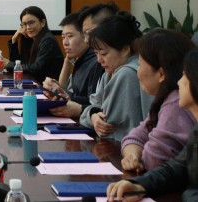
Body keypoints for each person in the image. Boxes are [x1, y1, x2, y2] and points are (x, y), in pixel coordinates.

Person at [107, 49, 198, 201]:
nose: (179, 82)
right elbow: (176, 169)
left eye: (185, 76)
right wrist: (140, 185)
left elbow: (154, 160)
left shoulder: (173, 104)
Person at [120, 29, 196, 172]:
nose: (137, 71)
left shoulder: (176, 105)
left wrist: (138, 159)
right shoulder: (168, 99)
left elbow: (153, 161)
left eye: (140, 64)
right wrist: (132, 156)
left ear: (161, 74)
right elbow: (136, 136)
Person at [79, 12, 153, 141]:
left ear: (125, 49)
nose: (99, 60)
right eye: (96, 53)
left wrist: (93, 118)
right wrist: (93, 116)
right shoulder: (110, 72)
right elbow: (94, 106)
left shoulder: (126, 73)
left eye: (103, 53)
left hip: (125, 147)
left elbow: (107, 123)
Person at [43, 11, 104, 118]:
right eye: (63, 37)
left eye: (70, 36)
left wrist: (60, 92)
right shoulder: (81, 58)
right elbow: (66, 89)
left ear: (85, 36)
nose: (65, 42)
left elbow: (92, 102)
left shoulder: (97, 62)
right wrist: (66, 61)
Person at [4, 6, 63, 84]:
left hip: (48, 88)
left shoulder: (48, 40)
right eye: (24, 24)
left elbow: (36, 69)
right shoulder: (30, 39)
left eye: (31, 23)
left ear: (42, 23)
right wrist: (14, 40)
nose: (28, 27)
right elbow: (18, 65)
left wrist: (10, 65)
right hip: (34, 84)